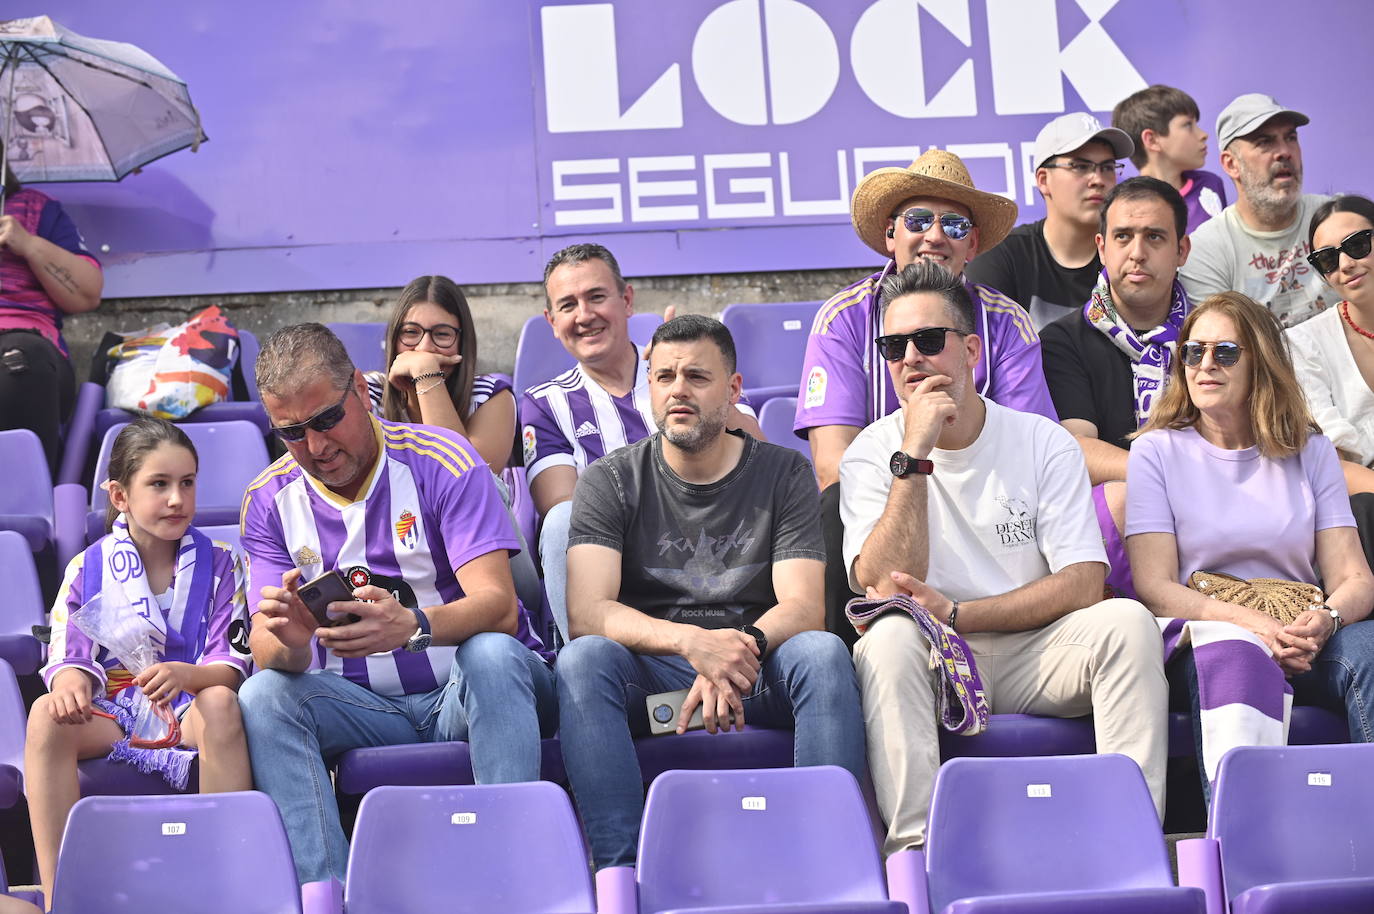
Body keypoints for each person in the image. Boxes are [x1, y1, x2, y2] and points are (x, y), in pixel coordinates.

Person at [842, 260, 1168, 855]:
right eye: (894, 346)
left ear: (970, 350)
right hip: (933, 657)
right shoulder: (871, 452)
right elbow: (882, 585)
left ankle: (1132, 843)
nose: (910, 357)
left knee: (1127, 623)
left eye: (928, 340)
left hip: (1036, 649)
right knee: (885, 640)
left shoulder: (1041, 440)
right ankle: (916, 853)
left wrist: (963, 613)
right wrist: (914, 453)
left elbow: (1084, 582)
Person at [238, 324, 556, 887]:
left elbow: (499, 605)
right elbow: (268, 648)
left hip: (466, 689)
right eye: (291, 432)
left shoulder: (443, 459)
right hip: (363, 709)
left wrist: (412, 627)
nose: (315, 446)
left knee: (492, 654)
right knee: (263, 694)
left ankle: (508, 881)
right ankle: (326, 893)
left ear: (361, 391)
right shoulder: (266, 500)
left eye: (325, 420)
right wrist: (287, 641)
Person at [557, 314, 866, 871]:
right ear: (648, 386)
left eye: (697, 376)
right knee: (583, 661)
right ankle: (619, 876)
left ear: (734, 389)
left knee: (822, 654)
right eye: (664, 376)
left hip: (758, 668)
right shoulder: (610, 478)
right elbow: (587, 611)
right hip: (659, 679)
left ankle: (828, 866)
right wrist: (692, 645)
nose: (678, 389)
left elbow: (803, 607)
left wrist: (733, 651)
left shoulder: (783, 473)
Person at [795, 148, 1056, 643]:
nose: (935, 235)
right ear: (890, 234)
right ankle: (850, 666)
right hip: (884, 500)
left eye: (954, 225)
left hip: (986, 504)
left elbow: (1035, 450)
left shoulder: (1007, 321)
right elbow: (834, 465)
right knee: (832, 507)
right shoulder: (843, 318)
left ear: (973, 244)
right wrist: (911, 482)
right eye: (917, 220)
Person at [1126, 292, 1374, 795]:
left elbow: (1353, 577)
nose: (1205, 365)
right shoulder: (1156, 450)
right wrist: (1255, 625)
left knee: (1369, 650)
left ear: (1260, 361)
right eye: (1193, 352)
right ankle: (1249, 846)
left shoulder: (1312, 451)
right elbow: (1154, 586)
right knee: (1239, 654)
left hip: (1306, 636)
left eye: (1225, 352)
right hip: (1212, 634)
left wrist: (1325, 621)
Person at [27, 418, 250, 908]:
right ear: (119, 495)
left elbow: (230, 664)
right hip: (115, 709)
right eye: (159, 484)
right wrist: (70, 682)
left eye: (187, 483)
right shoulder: (88, 566)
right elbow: (69, 650)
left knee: (221, 705)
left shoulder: (221, 563)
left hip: (190, 705)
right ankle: (63, 891)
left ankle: (231, 884)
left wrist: (188, 675)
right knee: (46, 716)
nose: (177, 499)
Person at [520, 243, 760, 640]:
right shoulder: (544, 403)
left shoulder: (689, 373)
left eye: (597, 297)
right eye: (568, 305)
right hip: (612, 562)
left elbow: (760, 461)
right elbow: (561, 509)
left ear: (626, 300)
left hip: (713, 544)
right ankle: (588, 661)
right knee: (563, 522)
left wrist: (695, 373)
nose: (584, 316)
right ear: (551, 320)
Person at [1040, 176, 1193, 593]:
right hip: (1118, 514)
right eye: (1123, 237)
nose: (1137, 253)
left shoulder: (1212, 333)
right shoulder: (1063, 339)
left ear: (1182, 249)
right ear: (1102, 247)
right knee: (1127, 498)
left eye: (1155, 237)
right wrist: (1171, 477)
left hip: (1209, 498)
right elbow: (1076, 449)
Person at [965, 112, 1133, 328]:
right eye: (1081, 166)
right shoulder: (1003, 257)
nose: (1098, 180)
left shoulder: (1129, 255)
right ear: (1043, 180)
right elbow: (985, 352)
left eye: (1107, 168)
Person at [1180, 94, 1331, 328]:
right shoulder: (1205, 250)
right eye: (1265, 142)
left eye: (1290, 138)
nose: (1284, 152)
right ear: (1231, 164)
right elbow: (1221, 349)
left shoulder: (1333, 219)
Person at [0, 140, 103, 476]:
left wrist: (28, 244)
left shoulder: (35, 210)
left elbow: (87, 294)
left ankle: (25, 505)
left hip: (21, 341)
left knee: (20, 361)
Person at [366, 274, 515, 473]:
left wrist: (426, 374)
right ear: (393, 338)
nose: (425, 348)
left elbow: (468, 482)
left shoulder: (491, 396)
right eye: (411, 332)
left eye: (442, 334)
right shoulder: (370, 392)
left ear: (462, 343)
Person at [1289, 195, 1374, 497]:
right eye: (1327, 259)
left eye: (1357, 245)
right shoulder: (1301, 345)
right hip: (1359, 508)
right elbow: (1333, 464)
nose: (1345, 264)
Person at [1112, 84, 1227, 234]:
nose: (1203, 135)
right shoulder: (1122, 202)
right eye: (1187, 125)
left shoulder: (1211, 184)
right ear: (1152, 140)